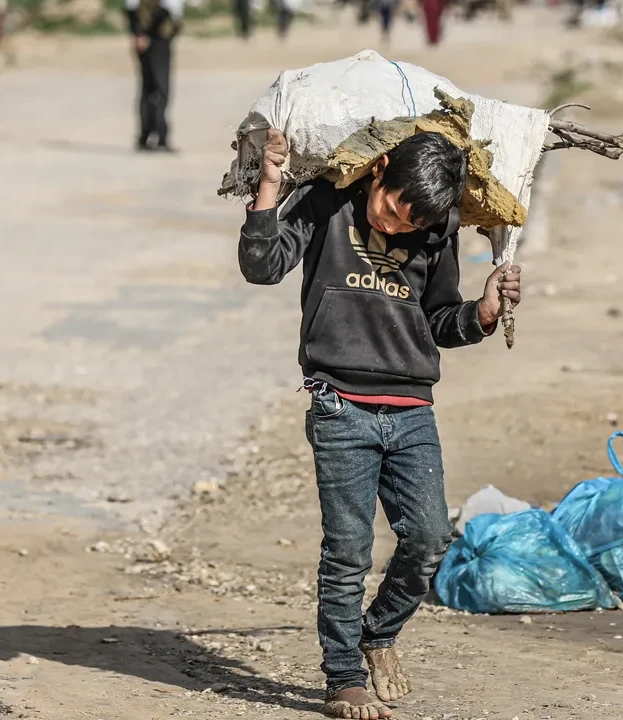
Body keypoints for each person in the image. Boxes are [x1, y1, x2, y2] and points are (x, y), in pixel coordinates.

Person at [238, 130, 523, 720]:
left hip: (412, 410)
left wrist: (485, 311)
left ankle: (378, 632)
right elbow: (262, 266)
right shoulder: (327, 201)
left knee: (428, 539)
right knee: (347, 552)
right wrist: (269, 183)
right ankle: (343, 680)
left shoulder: (434, 228)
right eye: (390, 209)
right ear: (380, 168)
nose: (395, 227)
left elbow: (439, 319)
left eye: (408, 224)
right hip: (339, 404)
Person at [125, 0, 183, 152]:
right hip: (156, 40)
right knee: (159, 90)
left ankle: (148, 137)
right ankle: (158, 138)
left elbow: (131, 9)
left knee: (150, 90)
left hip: (151, 39)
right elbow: (167, 10)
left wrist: (139, 34)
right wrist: (143, 34)